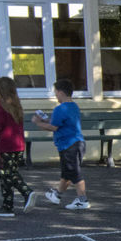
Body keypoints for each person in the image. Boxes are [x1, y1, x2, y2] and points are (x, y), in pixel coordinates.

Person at [0, 76, 38, 218]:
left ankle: (26, 192)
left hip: (2, 146)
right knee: (7, 175)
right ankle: (7, 206)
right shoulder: (16, 105)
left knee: (7, 175)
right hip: (17, 145)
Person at [31, 79, 90, 210]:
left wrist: (38, 123)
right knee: (67, 173)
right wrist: (45, 120)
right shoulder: (73, 106)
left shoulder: (60, 108)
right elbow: (59, 122)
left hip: (69, 145)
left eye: (56, 92)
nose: (55, 95)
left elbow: (53, 127)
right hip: (77, 143)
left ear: (61, 92)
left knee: (74, 172)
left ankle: (82, 200)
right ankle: (57, 195)